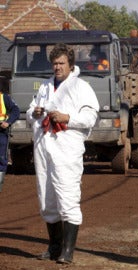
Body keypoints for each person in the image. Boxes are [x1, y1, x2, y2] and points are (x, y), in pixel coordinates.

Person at [26, 43, 100, 264]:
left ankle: (68, 250)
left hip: (66, 147)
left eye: (61, 63)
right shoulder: (45, 87)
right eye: (55, 63)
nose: (57, 67)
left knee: (67, 196)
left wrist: (67, 117)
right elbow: (30, 111)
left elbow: (90, 117)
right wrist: (35, 112)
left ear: (70, 64)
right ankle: (54, 245)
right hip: (43, 145)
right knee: (46, 198)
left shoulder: (81, 87)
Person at [0, 80, 20, 192]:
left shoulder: (4, 98)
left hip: (1, 131)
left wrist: (8, 122)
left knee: (1, 158)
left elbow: (15, 111)